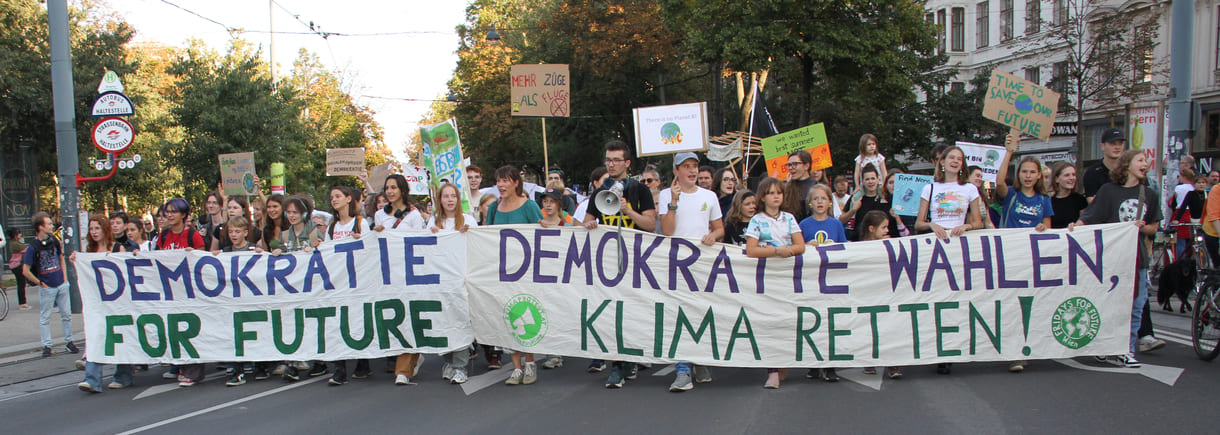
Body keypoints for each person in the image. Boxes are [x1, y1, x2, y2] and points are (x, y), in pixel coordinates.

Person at [1073, 149, 1160, 367]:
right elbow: (1092, 216)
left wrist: (1143, 227)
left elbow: (1153, 227)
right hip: (1111, 259)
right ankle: (1105, 344)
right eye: (1140, 160)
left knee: (1136, 305)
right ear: (1127, 164)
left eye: (1146, 161)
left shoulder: (1149, 194)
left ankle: (1126, 348)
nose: (1145, 163)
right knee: (1108, 303)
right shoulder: (1108, 191)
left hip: (1137, 258)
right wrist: (1076, 227)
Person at [581, 141, 656, 383]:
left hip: (634, 262)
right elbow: (587, 221)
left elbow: (649, 225)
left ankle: (629, 358)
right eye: (608, 160)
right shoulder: (600, 192)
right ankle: (616, 364)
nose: (611, 164)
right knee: (610, 312)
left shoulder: (640, 190)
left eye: (616, 160)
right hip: (607, 262)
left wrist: (628, 212)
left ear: (627, 163)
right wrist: (590, 224)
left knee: (631, 312)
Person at [658, 152, 724, 392]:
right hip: (676, 264)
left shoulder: (709, 196)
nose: (693, 170)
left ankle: (699, 360)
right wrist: (674, 203)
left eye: (695, 166)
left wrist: (712, 236)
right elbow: (667, 230)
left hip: (702, 264)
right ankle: (682, 368)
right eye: (687, 166)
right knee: (679, 315)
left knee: (700, 313)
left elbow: (720, 229)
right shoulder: (666, 194)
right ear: (676, 170)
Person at [915, 145, 983, 375]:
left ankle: (955, 347)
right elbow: (918, 223)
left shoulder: (970, 189)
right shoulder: (930, 188)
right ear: (942, 162)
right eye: (951, 158)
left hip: (960, 248)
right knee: (937, 298)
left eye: (960, 159)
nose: (955, 161)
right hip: (936, 249)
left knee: (959, 298)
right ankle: (938, 349)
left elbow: (978, 222)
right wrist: (932, 224)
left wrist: (966, 225)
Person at [994, 133, 1053, 372]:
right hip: (1010, 256)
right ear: (1018, 175)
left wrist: (1042, 227)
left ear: (1039, 175)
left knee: (1030, 305)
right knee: (1011, 304)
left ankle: (1026, 347)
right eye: (1024, 172)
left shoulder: (1043, 199)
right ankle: (1013, 351)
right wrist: (1009, 152)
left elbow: (1049, 226)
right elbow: (998, 183)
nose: (1027, 176)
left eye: (1032, 172)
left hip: (1033, 259)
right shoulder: (1011, 195)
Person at [485, 165, 545, 386]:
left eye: (505, 181)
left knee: (526, 312)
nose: (501, 185)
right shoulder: (493, 207)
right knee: (508, 316)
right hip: (503, 272)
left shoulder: (529, 206)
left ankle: (530, 362)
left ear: (516, 183)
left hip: (526, 271)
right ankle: (516, 366)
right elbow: (486, 236)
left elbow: (541, 232)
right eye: (498, 181)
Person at [745, 177, 805, 389]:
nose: (776, 196)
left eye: (779, 192)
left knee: (788, 321)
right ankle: (772, 370)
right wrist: (775, 251)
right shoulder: (756, 221)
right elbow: (751, 250)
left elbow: (801, 245)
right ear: (763, 197)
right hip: (766, 278)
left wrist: (788, 251)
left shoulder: (789, 218)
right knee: (769, 322)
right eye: (771, 193)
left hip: (788, 278)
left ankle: (784, 362)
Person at [424, 183, 477, 385]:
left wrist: (468, 233)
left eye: (453, 196)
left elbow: (478, 245)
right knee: (445, 322)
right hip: (441, 281)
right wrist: (432, 234)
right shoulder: (433, 222)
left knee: (461, 322)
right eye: (445, 196)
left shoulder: (469, 220)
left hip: (462, 280)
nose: (449, 200)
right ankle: (448, 361)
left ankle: (460, 366)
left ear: (458, 199)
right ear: (440, 200)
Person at [320, 186, 373, 386]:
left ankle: (363, 361)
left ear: (348, 199)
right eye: (332, 197)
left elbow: (369, 250)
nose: (334, 200)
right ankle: (339, 369)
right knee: (337, 322)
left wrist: (361, 242)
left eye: (338, 196)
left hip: (357, 281)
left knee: (358, 320)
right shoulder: (333, 227)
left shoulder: (360, 223)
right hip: (338, 281)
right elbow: (327, 252)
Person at [75, 214, 133, 393]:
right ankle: (92, 379)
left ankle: (123, 376)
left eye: (97, 228)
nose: (93, 232)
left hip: (118, 303)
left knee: (120, 337)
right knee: (95, 335)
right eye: (91, 229)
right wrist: (77, 261)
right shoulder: (88, 252)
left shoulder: (117, 248)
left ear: (105, 229)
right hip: (98, 304)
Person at [154, 198, 207, 385]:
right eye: (166, 211)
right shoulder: (163, 236)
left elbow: (203, 262)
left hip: (190, 289)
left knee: (190, 327)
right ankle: (180, 365)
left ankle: (193, 370)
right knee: (174, 327)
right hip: (171, 291)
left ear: (183, 215)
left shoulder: (193, 236)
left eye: (173, 212)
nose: (168, 215)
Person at [856, 210, 904, 379]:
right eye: (883, 227)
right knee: (868, 327)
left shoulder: (889, 244)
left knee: (889, 327)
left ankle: (892, 363)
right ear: (871, 228)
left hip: (886, 292)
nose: (886, 231)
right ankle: (869, 360)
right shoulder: (859, 247)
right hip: (868, 294)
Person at [216, 216, 261, 386]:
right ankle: (237, 369)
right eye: (231, 231)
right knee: (234, 335)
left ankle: (259, 365)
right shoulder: (225, 251)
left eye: (237, 231)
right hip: (232, 301)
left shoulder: (253, 249)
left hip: (250, 300)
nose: (234, 235)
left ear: (245, 232)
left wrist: (262, 255)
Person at [24, 212, 76, 358]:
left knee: (66, 314)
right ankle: (47, 345)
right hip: (47, 286)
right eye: (49, 224)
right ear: (40, 227)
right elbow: (25, 270)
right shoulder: (33, 247)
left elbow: (61, 258)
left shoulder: (54, 240)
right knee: (45, 317)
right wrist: (41, 283)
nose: (52, 226)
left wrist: (64, 278)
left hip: (60, 282)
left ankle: (69, 341)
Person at [839, 164, 903, 239]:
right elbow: (840, 221)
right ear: (862, 181)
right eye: (867, 179)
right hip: (861, 242)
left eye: (873, 178)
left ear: (878, 180)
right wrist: (853, 210)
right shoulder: (856, 198)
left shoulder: (886, 198)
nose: (870, 182)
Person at [1082, 128, 1127, 201]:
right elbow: (1093, 203)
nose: (1117, 147)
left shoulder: (1129, 170)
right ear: (1102, 146)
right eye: (1113, 144)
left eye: (1120, 143)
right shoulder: (1093, 173)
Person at [1049, 161, 1088, 229]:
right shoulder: (1049, 201)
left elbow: (1086, 220)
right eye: (1067, 175)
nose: (1072, 178)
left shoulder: (1080, 200)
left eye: (1073, 175)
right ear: (1056, 179)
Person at [782, 150, 818, 222]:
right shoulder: (787, 188)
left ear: (806, 166)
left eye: (795, 164)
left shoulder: (817, 187)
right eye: (789, 165)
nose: (791, 168)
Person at [6, 228, 30, 309]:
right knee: (21, 283)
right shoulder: (15, 244)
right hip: (17, 265)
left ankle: (22, 302)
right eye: (19, 233)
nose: (20, 235)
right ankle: (22, 303)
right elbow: (27, 249)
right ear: (15, 235)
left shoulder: (14, 242)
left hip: (15, 265)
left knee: (21, 283)